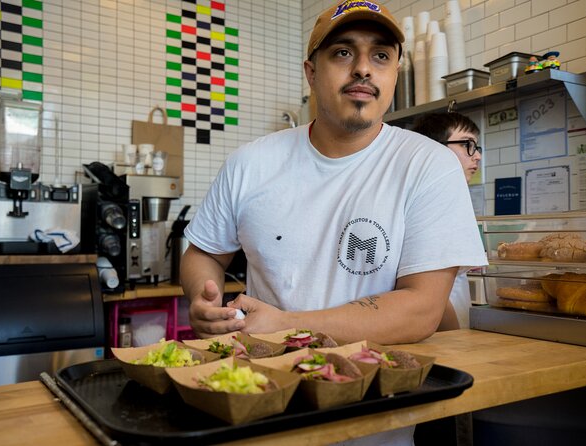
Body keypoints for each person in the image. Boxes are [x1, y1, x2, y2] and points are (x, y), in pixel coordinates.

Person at [181, 2, 487, 443]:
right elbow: (203, 254)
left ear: (395, 73)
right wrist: (203, 299)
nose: (363, 68)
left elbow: (422, 309)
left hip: (378, 423)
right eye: (343, 53)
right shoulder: (251, 163)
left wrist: (287, 324)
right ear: (311, 72)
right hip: (262, 412)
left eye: (380, 55)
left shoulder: (427, 164)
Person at [411, 112, 483, 329]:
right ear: (435, 149)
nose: (477, 156)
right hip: (440, 334)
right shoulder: (430, 202)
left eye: (477, 147)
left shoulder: (453, 196)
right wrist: (457, 340)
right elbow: (432, 297)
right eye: (467, 145)